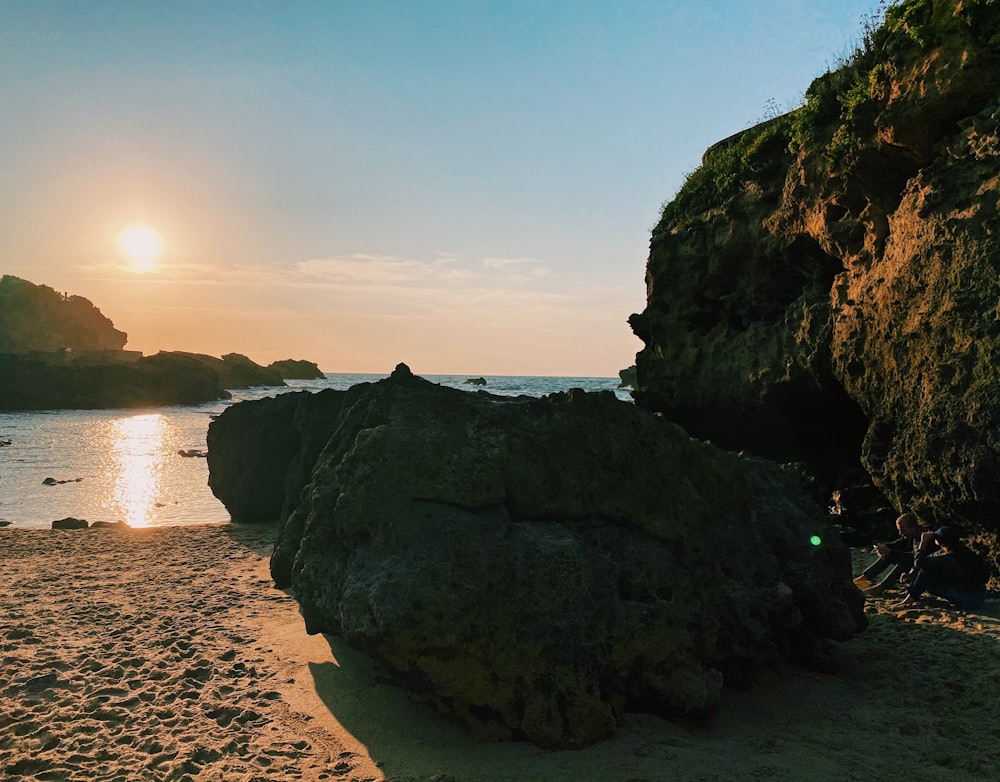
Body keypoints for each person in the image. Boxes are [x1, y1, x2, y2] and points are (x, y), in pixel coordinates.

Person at [894, 525, 990, 610]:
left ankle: (910, 599)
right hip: (978, 596)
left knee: (927, 572)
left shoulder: (950, 557)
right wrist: (912, 574)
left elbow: (919, 563)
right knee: (927, 569)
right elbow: (926, 559)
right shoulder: (962, 551)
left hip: (968, 600)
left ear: (941, 542)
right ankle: (911, 594)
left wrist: (923, 543)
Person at [853, 513, 928, 595]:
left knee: (903, 562)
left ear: (913, 527)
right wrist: (884, 547)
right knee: (888, 554)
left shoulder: (925, 538)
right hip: (914, 565)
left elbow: (913, 557)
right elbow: (898, 544)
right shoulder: (911, 536)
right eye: (899, 530)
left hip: (924, 570)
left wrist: (890, 552)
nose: (900, 533)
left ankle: (880, 587)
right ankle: (863, 579)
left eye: (903, 530)